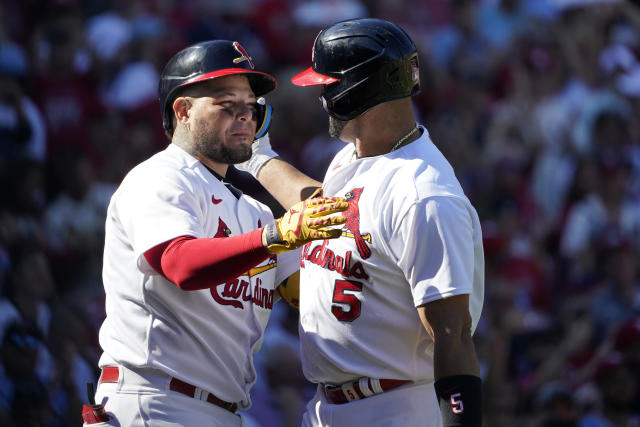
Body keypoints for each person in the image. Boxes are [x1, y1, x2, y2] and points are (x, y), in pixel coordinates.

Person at [83, 40, 348, 427]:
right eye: (227, 105)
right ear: (183, 111)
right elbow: (180, 264)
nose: (245, 117)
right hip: (154, 401)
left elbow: (313, 300)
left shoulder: (255, 212)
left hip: (221, 410)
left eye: (252, 107)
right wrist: (274, 236)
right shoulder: (160, 176)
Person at [245, 18, 485, 426]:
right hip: (331, 407)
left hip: (395, 406)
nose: (321, 96)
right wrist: (257, 155)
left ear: (357, 89)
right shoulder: (357, 156)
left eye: (328, 85)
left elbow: (453, 334)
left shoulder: (423, 195)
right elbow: (322, 206)